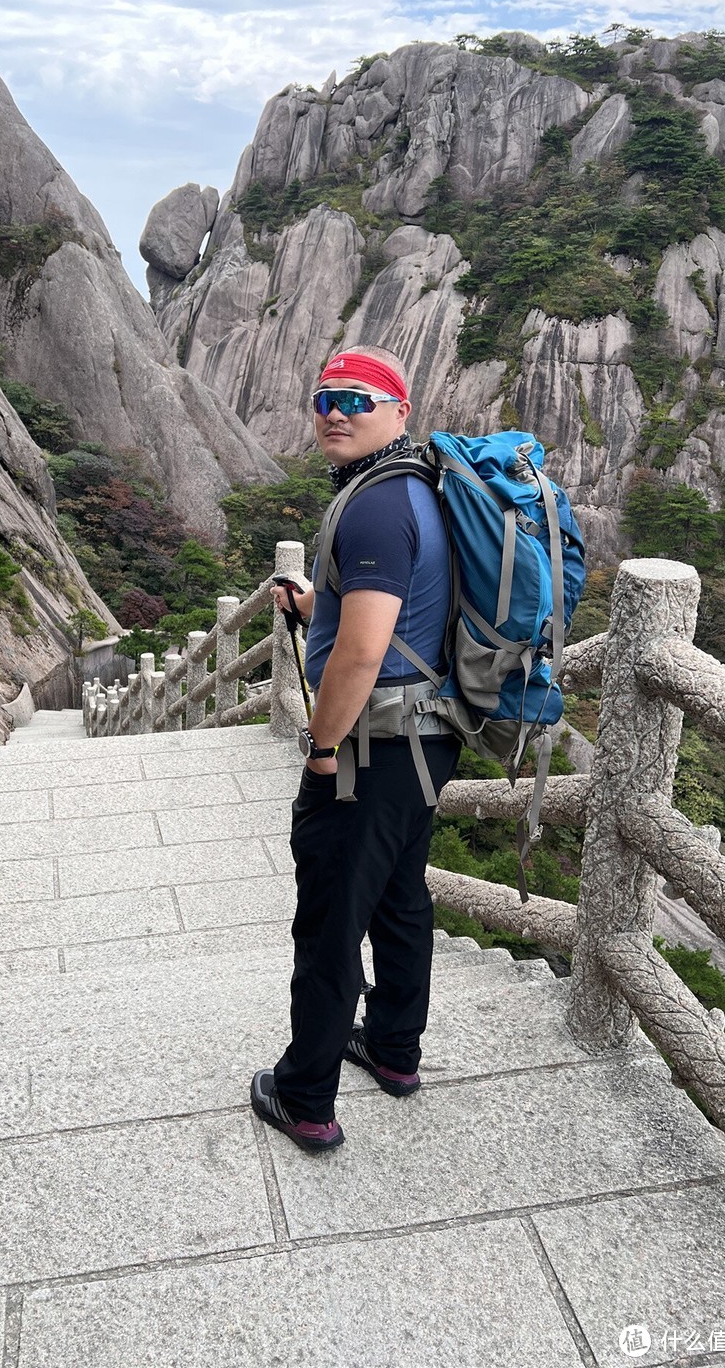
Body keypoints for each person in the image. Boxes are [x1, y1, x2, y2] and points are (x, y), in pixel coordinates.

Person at [251, 344, 459, 1152]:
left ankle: (306, 1098)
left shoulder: (374, 506)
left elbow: (365, 651)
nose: (335, 411)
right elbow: (396, 615)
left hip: (369, 749)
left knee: (332, 922)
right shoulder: (422, 487)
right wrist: (316, 607)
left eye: (359, 399)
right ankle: (395, 1050)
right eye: (324, 396)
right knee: (402, 896)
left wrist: (320, 746)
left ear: (400, 412)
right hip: (428, 737)